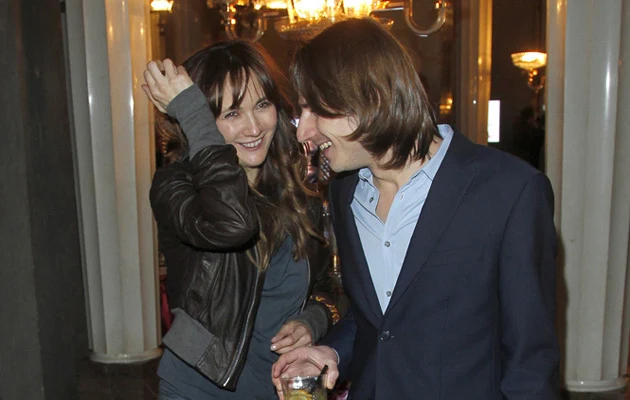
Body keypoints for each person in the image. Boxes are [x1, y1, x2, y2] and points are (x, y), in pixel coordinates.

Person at [272, 17, 560, 399]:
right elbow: (380, 321)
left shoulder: (510, 192)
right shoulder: (344, 192)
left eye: (315, 110)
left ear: (370, 97)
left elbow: (530, 366)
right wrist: (332, 352)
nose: (302, 132)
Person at [142, 40, 338, 399]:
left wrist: (313, 319)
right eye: (231, 114)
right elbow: (233, 224)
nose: (253, 127)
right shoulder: (176, 186)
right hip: (199, 390)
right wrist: (191, 111)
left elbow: (331, 284)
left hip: (280, 388)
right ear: (201, 121)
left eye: (262, 105)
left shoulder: (297, 191)